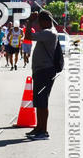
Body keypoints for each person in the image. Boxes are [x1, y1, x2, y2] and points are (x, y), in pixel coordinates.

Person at [23, 9, 58, 140]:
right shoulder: (47, 32)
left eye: (39, 22)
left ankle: (44, 131)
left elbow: (28, 37)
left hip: (45, 71)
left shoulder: (49, 33)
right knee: (39, 101)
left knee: (42, 102)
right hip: (41, 71)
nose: (38, 25)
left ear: (46, 21)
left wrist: (29, 22)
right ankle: (39, 128)